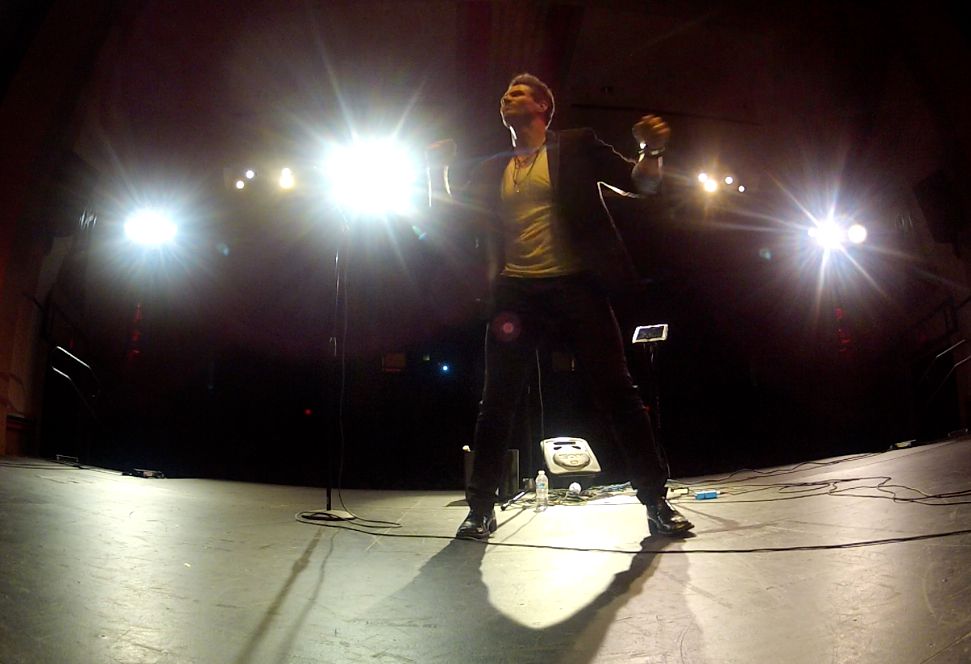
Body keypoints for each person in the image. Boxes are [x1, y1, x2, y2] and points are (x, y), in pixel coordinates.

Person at [431, 72, 693, 540]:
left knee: (618, 392)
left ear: (542, 107)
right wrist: (438, 169)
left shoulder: (576, 144)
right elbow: (454, 211)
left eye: (518, 92)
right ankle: (480, 510)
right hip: (516, 292)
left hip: (576, 285)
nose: (506, 97)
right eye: (504, 93)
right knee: (497, 402)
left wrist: (651, 150)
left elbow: (641, 184)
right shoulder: (495, 167)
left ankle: (656, 503)